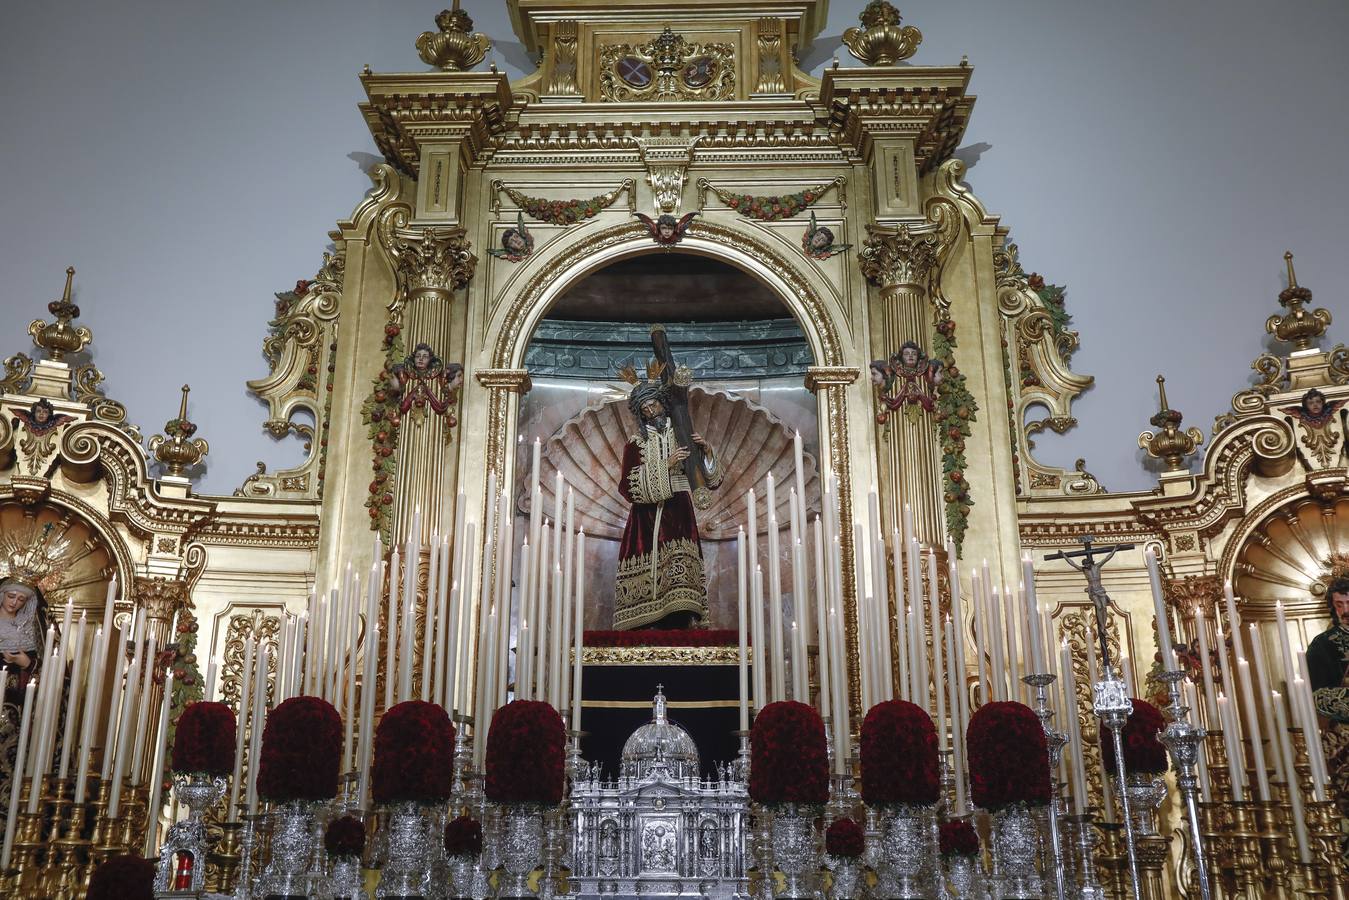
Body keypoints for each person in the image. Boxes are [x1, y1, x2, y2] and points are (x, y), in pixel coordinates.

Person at [613, 374, 722, 630]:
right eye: (645, 409)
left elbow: (709, 481)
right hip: (645, 520)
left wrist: (706, 452)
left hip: (679, 513)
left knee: (680, 571)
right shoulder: (636, 444)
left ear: (663, 403)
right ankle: (645, 620)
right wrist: (666, 466)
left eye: (654, 405)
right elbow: (627, 486)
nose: (651, 411)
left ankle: (682, 617)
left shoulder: (684, 434)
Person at [1307, 576, 1349, 833]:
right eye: (1340, 604)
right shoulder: (1323, 646)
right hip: (1343, 740)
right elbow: (1318, 697)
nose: (1347, 611)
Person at [0, 575, 52, 677]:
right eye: (11, 596)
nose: (14, 602)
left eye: (21, 599)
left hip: (21, 690)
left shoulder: (30, 628)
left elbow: (47, 669)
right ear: (2, 595)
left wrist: (27, 663)